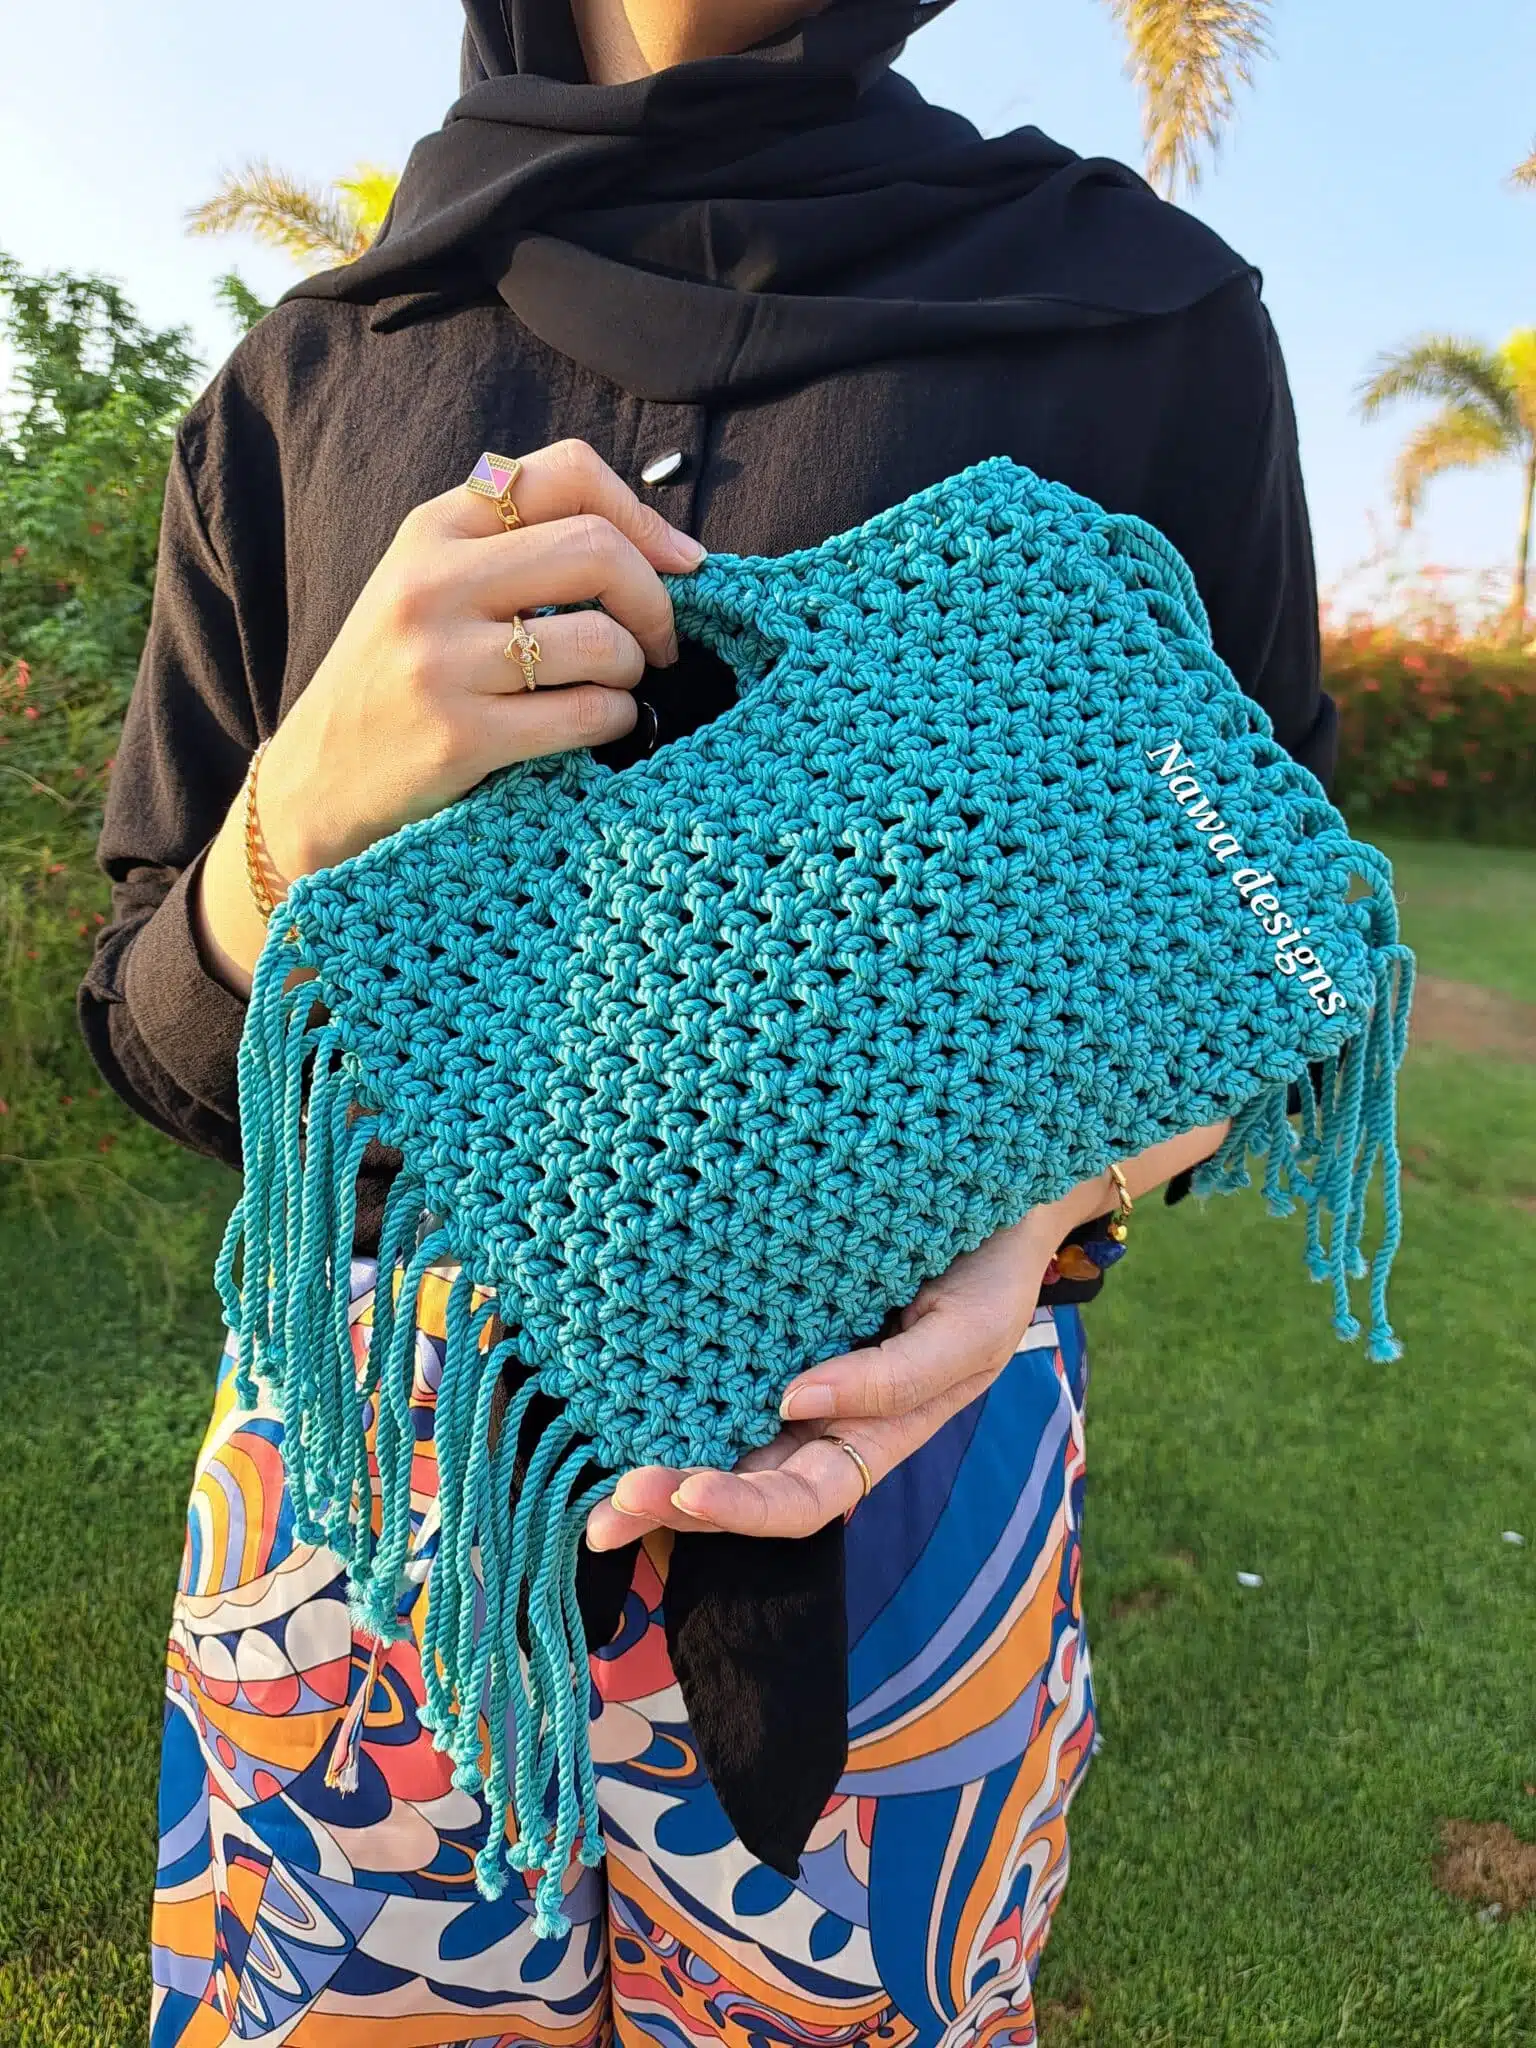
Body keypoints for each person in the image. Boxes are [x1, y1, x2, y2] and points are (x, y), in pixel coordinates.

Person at [83, 1, 1329, 2040]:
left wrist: (1050, 1210)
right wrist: (293, 811)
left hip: (900, 1455)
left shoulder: (1137, 320)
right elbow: (161, 1034)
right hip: (362, 1494)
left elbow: (1269, 935)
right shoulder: (307, 379)